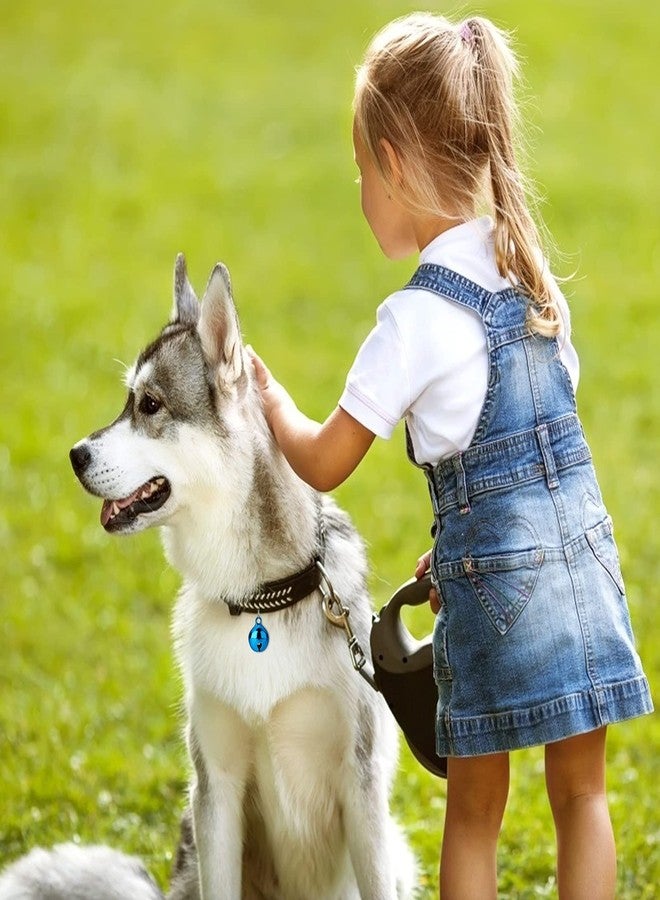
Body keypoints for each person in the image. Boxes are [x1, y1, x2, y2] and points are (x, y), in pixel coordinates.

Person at [249, 13, 653, 899]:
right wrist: (466, 545)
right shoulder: (534, 279)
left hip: (501, 601)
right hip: (585, 569)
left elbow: (323, 462)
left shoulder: (412, 322)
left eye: (361, 171)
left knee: (475, 810)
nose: (360, 191)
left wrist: (267, 399)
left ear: (393, 163)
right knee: (583, 793)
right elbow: (542, 456)